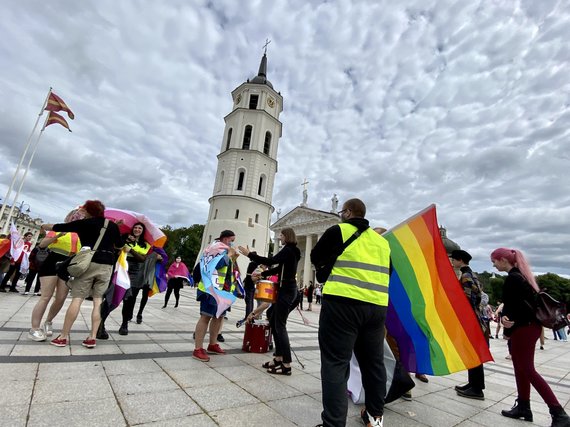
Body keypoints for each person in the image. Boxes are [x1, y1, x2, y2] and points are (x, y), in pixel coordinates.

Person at [311, 198, 390, 427]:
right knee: (374, 363)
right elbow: (388, 272)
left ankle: (334, 423)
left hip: (342, 305)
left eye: (341, 211)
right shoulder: (381, 242)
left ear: (347, 212)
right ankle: (375, 417)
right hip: (375, 307)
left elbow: (316, 257)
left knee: (336, 362)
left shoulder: (338, 231)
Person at [491, 247, 570, 427]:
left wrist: (508, 327)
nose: (494, 265)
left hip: (524, 329)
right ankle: (523, 407)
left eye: (494, 261)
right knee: (521, 368)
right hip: (529, 328)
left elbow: (515, 308)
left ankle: (558, 412)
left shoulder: (513, 278)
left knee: (527, 369)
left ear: (503, 260)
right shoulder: (523, 276)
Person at [41, 200, 122, 348]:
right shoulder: (113, 225)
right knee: (98, 301)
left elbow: (60, 227)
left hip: (88, 263)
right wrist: (115, 229)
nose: (82, 212)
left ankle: (63, 336)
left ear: (89, 212)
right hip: (107, 265)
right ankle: (92, 337)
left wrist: (44, 226)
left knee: (77, 299)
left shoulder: (85, 223)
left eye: (84, 210)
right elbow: (119, 245)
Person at [239, 227, 301, 376]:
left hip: (287, 290)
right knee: (272, 318)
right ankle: (278, 358)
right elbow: (278, 268)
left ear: (287, 236)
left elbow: (271, 261)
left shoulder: (288, 250)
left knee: (280, 325)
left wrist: (250, 255)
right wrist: (263, 275)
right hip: (287, 289)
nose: (280, 237)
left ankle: (286, 364)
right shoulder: (293, 251)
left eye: (281, 235)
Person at [193, 230, 238, 362]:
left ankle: (212, 344)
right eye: (231, 240)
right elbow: (214, 265)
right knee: (205, 316)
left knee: (219, 317)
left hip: (223, 289)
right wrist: (229, 256)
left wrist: (233, 258)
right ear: (225, 239)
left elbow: (228, 269)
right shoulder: (214, 248)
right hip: (210, 288)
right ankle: (198, 349)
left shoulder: (224, 249)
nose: (232, 243)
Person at [28, 230, 80, 341]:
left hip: (68, 263)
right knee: (46, 296)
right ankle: (34, 328)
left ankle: (48, 321)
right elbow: (42, 244)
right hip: (51, 261)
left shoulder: (80, 233)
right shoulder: (57, 229)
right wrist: (59, 235)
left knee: (61, 298)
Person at [451, 249, 487, 400]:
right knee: (472, 352)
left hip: (471, 318)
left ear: (460, 260)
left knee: (473, 352)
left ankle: (477, 388)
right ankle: (473, 384)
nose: (452, 262)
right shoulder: (472, 274)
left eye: (454, 259)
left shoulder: (465, 276)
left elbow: (469, 299)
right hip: (475, 317)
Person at [118, 223, 151, 334]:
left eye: (140, 228)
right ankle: (102, 323)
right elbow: (117, 247)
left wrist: (131, 249)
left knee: (129, 298)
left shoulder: (145, 245)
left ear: (143, 231)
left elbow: (142, 259)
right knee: (114, 295)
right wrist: (126, 240)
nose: (137, 229)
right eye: (135, 227)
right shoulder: (125, 238)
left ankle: (124, 324)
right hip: (121, 267)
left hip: (135, 271)